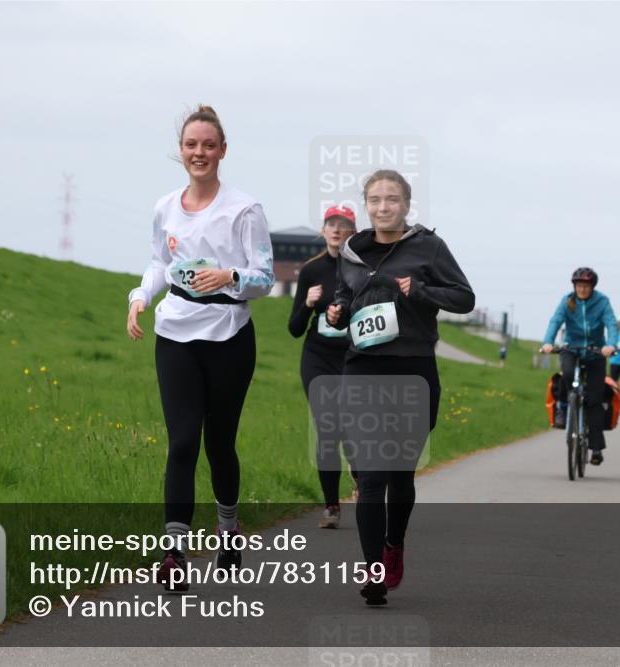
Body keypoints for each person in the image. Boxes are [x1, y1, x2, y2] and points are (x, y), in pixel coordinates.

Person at [126, 105, 275, 590]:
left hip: (229, 334)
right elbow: (157, 263)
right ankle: (174, 552)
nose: (200, 153)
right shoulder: (164, 207)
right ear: (181, 151)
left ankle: (229, 526)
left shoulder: (244, 209)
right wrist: (140, 298)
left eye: (209, 145)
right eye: (192, 145)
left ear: (223, 151)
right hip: (175, 332)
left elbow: (264, 279)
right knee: (183, 441)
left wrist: (230, 276)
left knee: (219, 443)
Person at [326, 169, 475, 606]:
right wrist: (337, 309)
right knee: (371, 476)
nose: (383, 207)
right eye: (375, 200)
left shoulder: (428, 247)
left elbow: (464, 298)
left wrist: (421, 290)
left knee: (400, 475)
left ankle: (394, 544)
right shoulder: (353, 250)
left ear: (406, 205)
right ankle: (374, 570)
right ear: (367, 206)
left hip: (413, 370)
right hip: (362, 368)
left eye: (392, 199)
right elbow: (343, 293)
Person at [288, 205, 359, 529]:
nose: (336, 230)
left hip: (351, 358)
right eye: (331, 224)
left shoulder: (362, 269)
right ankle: (331, 505)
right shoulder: (311, 271)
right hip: (316, 357)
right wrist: (308, 304)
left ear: (353, 232)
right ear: (323, 230)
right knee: (327, 427)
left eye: (343, 225)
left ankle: (361, 482)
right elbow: (294, 328)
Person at [540, 267, 617, 465]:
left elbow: (611, 324)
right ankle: (563, 408)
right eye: (579, 286)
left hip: (595, 352)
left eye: (586, 286)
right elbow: (555, 321)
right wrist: (548, 342)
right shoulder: (567, 301)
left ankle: (596, 448)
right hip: (571, 348)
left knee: (594, 400)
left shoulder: (602, 302)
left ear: (592, 287)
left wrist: (611, 345)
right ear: (574, 286)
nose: (582, 290)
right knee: (566, 374)